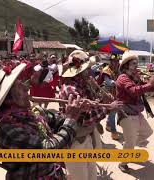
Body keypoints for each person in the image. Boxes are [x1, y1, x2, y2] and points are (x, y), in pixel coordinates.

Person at [0, 63, 81, 179]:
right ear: (8, 100)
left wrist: (77, 111)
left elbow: (58, 120)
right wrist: (71, 119)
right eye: (19, 87)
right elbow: (47, 150)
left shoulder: (33, 112)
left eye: (22, 83)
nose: (27, 88)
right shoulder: (7, 129)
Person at [59, 50, 121, 180]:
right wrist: (108, 107)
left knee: (92, 175)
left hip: (85, 136)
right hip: (75, 142)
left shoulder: (84, 83)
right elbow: (86, 118)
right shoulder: (71, 89)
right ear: (79, 72)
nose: (90, 71)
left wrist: (102, 96)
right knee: (80, 177)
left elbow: (93, 103)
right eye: (87, 69)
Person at [116, 52, 154, 173]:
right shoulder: (123, 78)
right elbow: (134, 91)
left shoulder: (134, 77)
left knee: (147, 132)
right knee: (131, 140)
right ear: (126, 66)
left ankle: (129, 144)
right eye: (134, 64)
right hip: (126, 113)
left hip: (135, 112)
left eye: (136, 63)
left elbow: (144, 86)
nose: (136, 66)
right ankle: (123, 163)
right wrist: (150, 84)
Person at [98, 54, 120, 140]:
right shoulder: (106, 70)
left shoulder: (117, 70)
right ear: (110, 62)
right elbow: (108, 82)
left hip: (115, 93)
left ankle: (108, 125)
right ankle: (113, 132)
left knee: (112, 113)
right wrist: (119, 82)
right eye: (114, 61)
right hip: (106, 94)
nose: (115, 63)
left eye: (117, 61)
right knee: (111, 112)